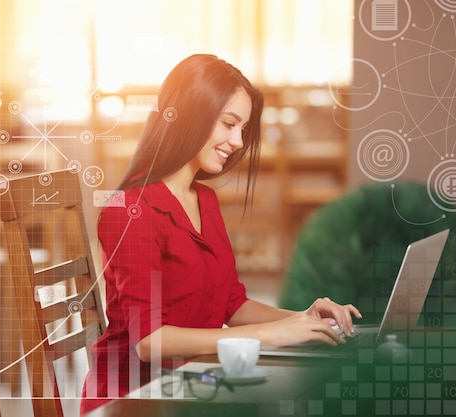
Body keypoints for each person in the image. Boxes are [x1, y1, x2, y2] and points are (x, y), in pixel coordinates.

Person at [80, 53, 361, 415]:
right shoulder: (129, 210)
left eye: (242, 128)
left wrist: (300, 320)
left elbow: (232, 303)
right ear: (192, 114)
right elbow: (149, 342)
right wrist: (268, 335)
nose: (238, 141)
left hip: (196, 380)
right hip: (136, 398)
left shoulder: (205, 201)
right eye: (229, 123)